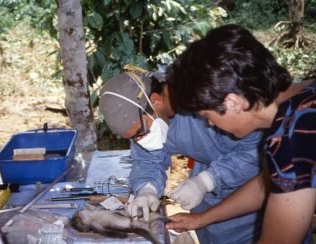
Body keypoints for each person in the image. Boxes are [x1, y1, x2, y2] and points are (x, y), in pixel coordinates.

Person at [165, 24, 316, 244]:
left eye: (207, 114)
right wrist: (202, 219)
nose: (209, 123)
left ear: (232, 103)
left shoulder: (292, 137)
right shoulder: (305, 94)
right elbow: (263, 185)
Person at [99, 64, 264, 243]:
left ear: (156, 101)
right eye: (133, 138)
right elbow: (147, 159)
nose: (141, 140)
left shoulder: (203, 93)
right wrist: (148, 189)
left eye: (141, 132)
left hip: (257, 200)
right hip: (210, 210)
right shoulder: (147, 115)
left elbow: (257, 149)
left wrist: (208, 180)